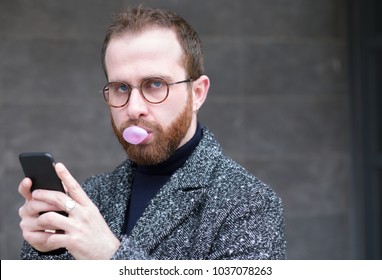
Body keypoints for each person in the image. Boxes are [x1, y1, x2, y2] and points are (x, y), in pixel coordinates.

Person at [18, 6, 286, 260]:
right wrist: (45, 251)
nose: (134, 109)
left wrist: (111, 257)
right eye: (121, 88)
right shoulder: (89, 197)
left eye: (155, 84)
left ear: (197, 93)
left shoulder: (250, 205)